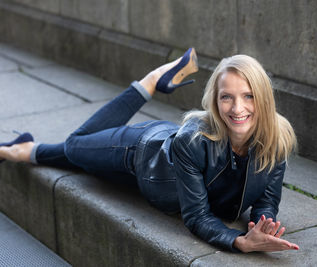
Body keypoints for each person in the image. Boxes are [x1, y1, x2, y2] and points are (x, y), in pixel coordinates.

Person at [0, 48, 299, 253]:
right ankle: (151, 81)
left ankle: (23, 149)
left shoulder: (276, 140)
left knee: (84, 163)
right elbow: (196, 217)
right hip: (142, 154)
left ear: (264, 98)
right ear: (214, 101)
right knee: (77, 146)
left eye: (248, 96)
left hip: (157, 188)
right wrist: (239, 241)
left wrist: (262, 227)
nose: (237, 108)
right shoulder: (192, 141)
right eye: (226, 97)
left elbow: (266, 199)